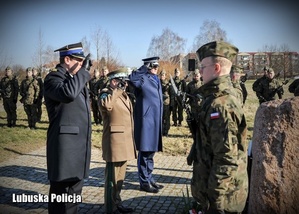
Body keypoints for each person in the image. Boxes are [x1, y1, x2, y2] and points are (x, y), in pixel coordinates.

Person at [191, 41, 248, 213]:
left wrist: (215, 201)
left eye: (203, 66)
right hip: (222, 195)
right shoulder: (218, 97)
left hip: (222, 200)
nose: (200, 71)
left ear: (216, 68)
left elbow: (226, 158)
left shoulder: (220, 105)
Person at [43, 42, 92, 214]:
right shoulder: (53, 79)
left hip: (78, 148)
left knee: (73, 197)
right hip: (65, 150)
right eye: (79, 61)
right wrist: (84, 72)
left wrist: (81, 73)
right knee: (60, 198)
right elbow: (68, 94)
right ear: (67, 59)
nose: (82, 65)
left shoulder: (73, 80)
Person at [98, 68, 136, 214]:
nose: (125, 84)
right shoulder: (105, 94)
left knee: (120, 176)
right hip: (114, 141)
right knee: (112, 178)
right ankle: (110, 207)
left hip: (125, 140)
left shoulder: (122, 94)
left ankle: (117, 203)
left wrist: (120, 91)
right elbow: (106, 106)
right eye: (122, 82)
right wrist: (116, 91)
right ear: (114, 81)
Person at [129, 56, 163, 193]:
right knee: (145, 151)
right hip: (146, 120)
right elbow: (132, 78)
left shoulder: (157, 79)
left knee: (151, 151)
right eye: (153, 66)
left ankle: (149, 177)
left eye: (156, 67)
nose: (155, 69)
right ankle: (144, 182)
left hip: (155, 119)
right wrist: (144, 68)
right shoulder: (142, 78)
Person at [159, 69, 173, 136]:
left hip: (167, 103)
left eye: (163, 75)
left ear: (165, 76)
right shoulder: (157, 83)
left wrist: (172, 104)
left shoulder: (168, 83)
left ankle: (166, 131)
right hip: (159, 103)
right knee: (160, 118)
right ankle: (161, 131)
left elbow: (171, 94)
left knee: (167, 118)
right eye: (161, 75)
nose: (162, 76)